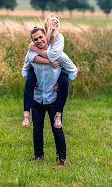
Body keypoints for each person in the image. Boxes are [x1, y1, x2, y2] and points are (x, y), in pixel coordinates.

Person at [21, 27, 77, 166]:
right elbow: (24, 69)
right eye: (35, 39)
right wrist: (30, 81)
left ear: (46, 36)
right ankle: (38, 155)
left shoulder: (58, 54)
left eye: (41, 37)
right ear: (32, 41)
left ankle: (61, 158)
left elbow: (73, 70)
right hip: (38, 97)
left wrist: (63, 83)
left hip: (53, 97)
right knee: (37, 128)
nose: (39, 41)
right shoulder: (31, 54)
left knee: (57, 129)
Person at [22, 13, 69, 129]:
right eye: (53, 20)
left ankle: (58, 114)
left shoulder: (58, 37)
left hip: (56, 73)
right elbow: (30, 61)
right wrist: (45, 59)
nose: (56, 22)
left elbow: (53, 56)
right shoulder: (37, 41)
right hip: (38, 85)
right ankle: (26, 114)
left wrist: (38, 50)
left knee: (64, 80)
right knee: (30, 78)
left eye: (57, 20)